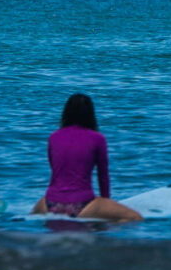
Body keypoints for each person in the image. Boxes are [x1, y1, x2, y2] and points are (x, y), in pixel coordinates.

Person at [34, 93, 142, 223]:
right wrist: (105, 204)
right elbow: (103, 176)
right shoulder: (98, 138)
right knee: (135, 218)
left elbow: (55, 170)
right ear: (91, 114)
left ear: (66, 113)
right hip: (82, 204)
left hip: (50, 203)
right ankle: (105, 239)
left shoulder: (53, 137)